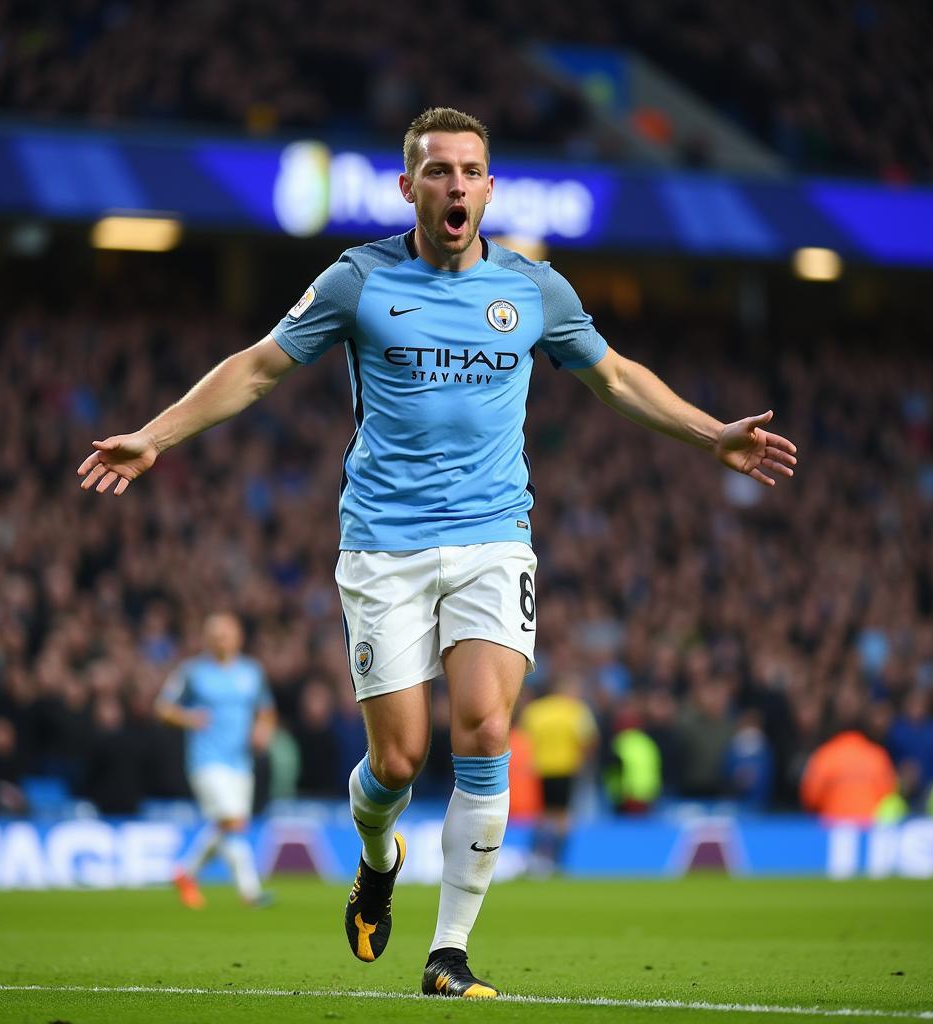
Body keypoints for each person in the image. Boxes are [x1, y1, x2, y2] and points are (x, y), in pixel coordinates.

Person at [78, 107, 798, 997]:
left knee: (488, 730)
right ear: (408, 185)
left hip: (496, 537)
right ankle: (378, 861)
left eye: (470, 171)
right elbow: (260, 365)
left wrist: (709, 433)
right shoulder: (359, 280)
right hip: (384, 545)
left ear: (490, 187)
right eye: (439, 171)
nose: (456, 186)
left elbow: (613, 376)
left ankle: (448, 952)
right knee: (396, 763)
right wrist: (156, 434)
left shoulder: (535, 290)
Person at [154, 612, 276, 908]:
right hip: (206, 760)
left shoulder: (252, 672)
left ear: (238, 638)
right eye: (216, 635)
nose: (222, 640)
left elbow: (266, 712)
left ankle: (185, 873)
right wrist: (188, 718)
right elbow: (163, 708)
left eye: (227, 634)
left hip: (240, 762)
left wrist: (262, 731)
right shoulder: (192, 672)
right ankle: (250, 892)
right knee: (232, 822)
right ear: (206, 639)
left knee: (230, 826)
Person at [517, 674, 599, 872]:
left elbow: (522, 738)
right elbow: (589, 739)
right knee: (563, 817)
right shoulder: (576, 710)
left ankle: (534, 857)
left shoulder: (536, 710)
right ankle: (558, 861)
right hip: (566, 769)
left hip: (539, 770)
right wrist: (583, 761)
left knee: (541, 815)